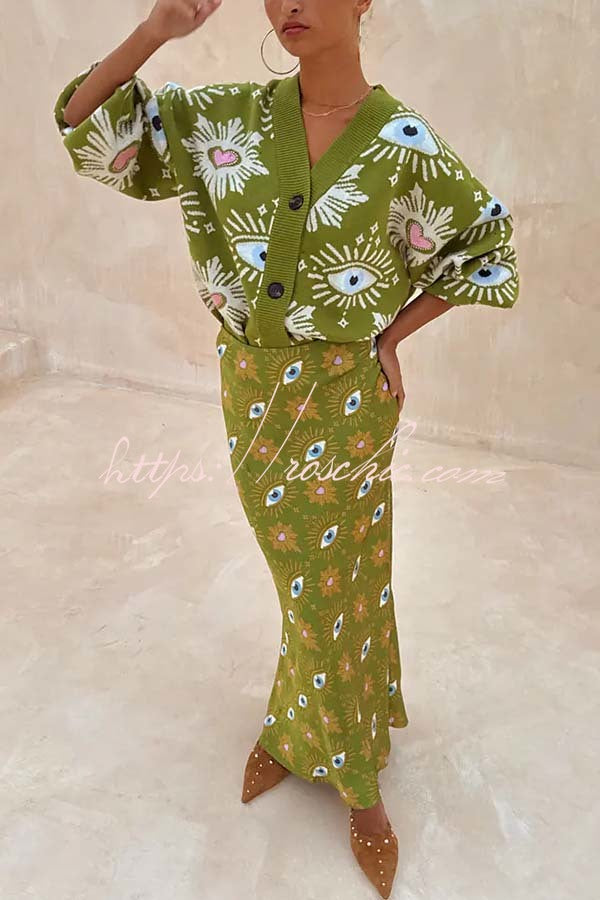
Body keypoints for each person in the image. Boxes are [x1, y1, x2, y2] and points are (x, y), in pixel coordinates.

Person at [53, 0, 520, 895]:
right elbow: (87, 126)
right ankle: (307, 724)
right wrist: (155, 32)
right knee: (308, 585)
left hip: (346, 402)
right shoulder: (223, 119)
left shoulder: (404, 143)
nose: (291, 3)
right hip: (254, 397)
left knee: (334, 585)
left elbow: (484, 244)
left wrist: (391, 335)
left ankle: (357, 784)